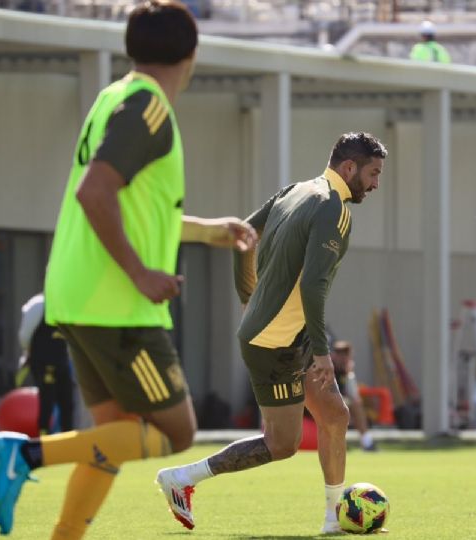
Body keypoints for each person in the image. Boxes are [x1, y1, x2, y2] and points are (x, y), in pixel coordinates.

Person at [0, 2, 257, 538]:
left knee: (112, 434)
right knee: (176, 432)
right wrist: (139, 274)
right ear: (191, 54)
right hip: (117, 303)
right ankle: (27, 455)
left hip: (77, 295)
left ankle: (64, 535)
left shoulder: (113, 97)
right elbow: (95, 193)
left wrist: (209, 231)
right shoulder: (150, 108)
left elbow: (134, 210)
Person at [155, 132, 388, 534]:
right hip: (274, 345)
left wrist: (247, 295)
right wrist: (322, 354)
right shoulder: (335, 210)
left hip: (285, 334)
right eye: (373, 173)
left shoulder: (296, 190)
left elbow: (242, 234)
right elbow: (314, 286)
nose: (375, 184)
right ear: (349, 168)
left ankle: (334, 519)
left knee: (335, 415)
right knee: (282, 444)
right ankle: (181, 479)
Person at [18, 293, 74, 434]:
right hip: (43, 361)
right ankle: (44, 438)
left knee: (68, 402)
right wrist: (28, 353)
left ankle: (68, 438)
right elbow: (25, 335)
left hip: (62, 360)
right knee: (46, 400)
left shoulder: (68, 305)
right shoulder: (38, 304)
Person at [331, 340, 377, 451]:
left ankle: (366, 442)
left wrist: (349, 374)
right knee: (354, 404)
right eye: (339, 354)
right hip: (323, 404)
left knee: (357, 403)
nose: (342, 358)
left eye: (345, 354)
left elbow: (353, 393)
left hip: (339, 403)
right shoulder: (328, 367)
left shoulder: (345, 370)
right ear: (334, 354)